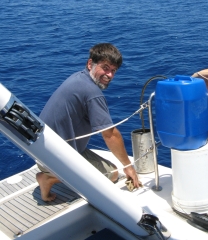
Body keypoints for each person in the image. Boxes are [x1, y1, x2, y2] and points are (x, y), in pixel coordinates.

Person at [36, 43, 140, 201]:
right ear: (90, 64)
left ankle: (53, 174)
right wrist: (128, 166)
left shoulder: (79, 78)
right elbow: (110, 134)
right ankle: (49, 178)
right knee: (111, 175)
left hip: (45, 150)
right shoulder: (92, 92)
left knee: (109, 169)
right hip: (54, 157)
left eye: (113, 70)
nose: (110, 75)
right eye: (105, 68)